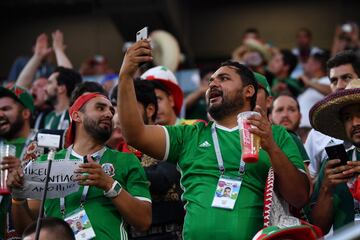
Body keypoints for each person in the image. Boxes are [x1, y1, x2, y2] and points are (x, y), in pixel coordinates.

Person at [118, 39, 309, 239]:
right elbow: (134, 134)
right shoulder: (190, 134)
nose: (213, 84)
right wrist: (125, 76)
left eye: (224, 78)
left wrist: (271, 147)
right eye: (210, 82)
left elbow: (299, 197)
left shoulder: (275, 135)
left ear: (248, 91)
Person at [8, 93, 151, 239]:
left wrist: (109, 185)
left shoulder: (125, 160)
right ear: (77, 116)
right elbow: (29, 230)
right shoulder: (44, 163)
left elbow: (144, 221)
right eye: (100, 108)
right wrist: (17, 198)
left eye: (111, 111)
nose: (109, 114)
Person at [309, 79, 360, 234]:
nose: (355, 123)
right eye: (347, 117)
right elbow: (318, 230)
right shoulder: (334, 166)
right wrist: (326, 189)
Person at [305, 50, 360, 179]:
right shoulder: (317, 134)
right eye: (334, 80)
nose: (339, 86)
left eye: (346, 77)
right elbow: (309, 183)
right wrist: (325, 182)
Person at [15, 31, 73, 130]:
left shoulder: (67, 112)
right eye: (32, 87)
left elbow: (69, 78)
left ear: (60, 88)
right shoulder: (31, 113)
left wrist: (58, 50)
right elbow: (19, 88)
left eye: (40, 86)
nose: (33, 90)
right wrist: (37, 56)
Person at [0, 85, 36, 239]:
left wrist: (24, 173)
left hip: (29, 232)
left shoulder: (44, 144)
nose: (0, 114)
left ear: (26, 113)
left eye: (6, 108)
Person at [297, 51, 331, 129]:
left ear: (317, 65)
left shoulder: (327, 80)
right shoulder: (313, 83)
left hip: (313, 130)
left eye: (307, 62)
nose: (303, 65)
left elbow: (333, 92)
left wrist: (308, 82)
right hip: (301, 131)